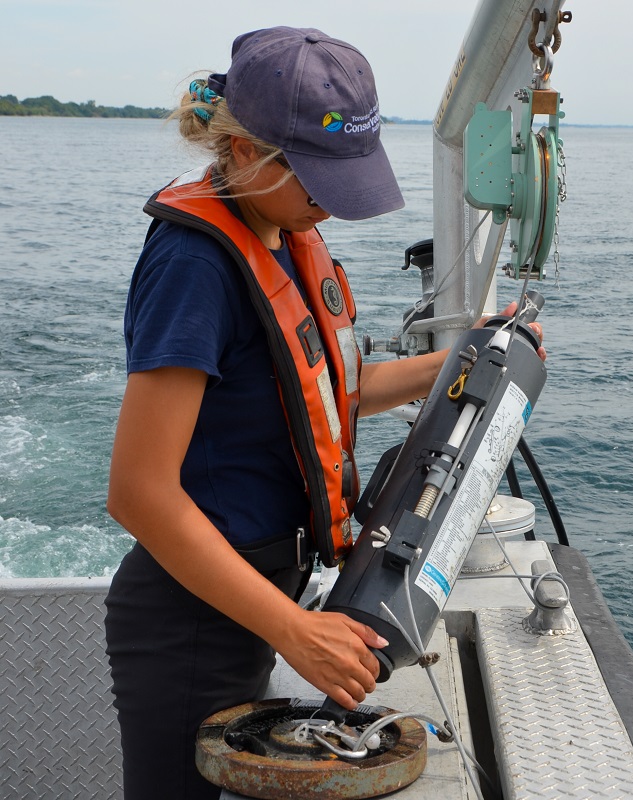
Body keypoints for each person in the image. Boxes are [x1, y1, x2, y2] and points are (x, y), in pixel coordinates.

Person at [104, 26, 545, 800]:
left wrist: (467, 357)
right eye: (314, 180)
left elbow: (331, 389)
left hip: (265, 594)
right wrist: (293, 631)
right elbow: (139, 492)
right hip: (191, 622)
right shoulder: (193, 265)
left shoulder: (277, 233)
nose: (329, 207)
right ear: (242, 152)